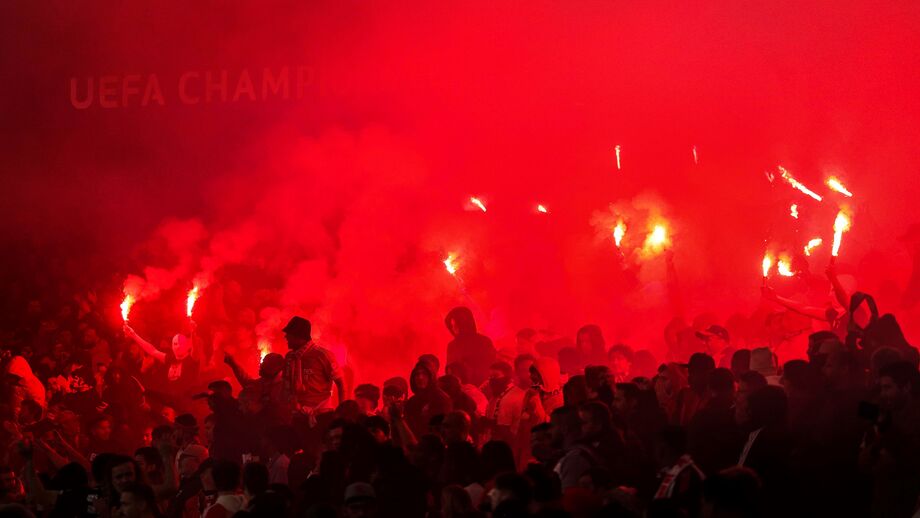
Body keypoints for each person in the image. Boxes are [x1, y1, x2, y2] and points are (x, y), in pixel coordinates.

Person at [280, 316, 344, 416]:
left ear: (299, 335)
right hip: (295, 415)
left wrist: (342, 412)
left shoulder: (323, 355)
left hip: (320, 415)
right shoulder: (289, 357)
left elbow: (341, 384)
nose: (286, 337)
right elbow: (285, 385)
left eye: (289, 334)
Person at [123, 325, 199, 395]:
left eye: (181, 343)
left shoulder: (190, 359)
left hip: (187, 401)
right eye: (175, 344)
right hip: (171, 400)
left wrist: (193, 332)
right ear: (172, 346)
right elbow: (152, 350)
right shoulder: (170, 359)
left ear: (186, 345)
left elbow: (195, 348)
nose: (178, 346)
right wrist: (134, 335)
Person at [444, 307, 496, 387]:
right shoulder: (452, 346)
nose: (453, 328)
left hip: (482, 387)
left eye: (456, 325)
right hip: (458, 388)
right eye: (452, 326)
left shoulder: (483, 342)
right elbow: (449, 369)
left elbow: (490, 366)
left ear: (464, 324)